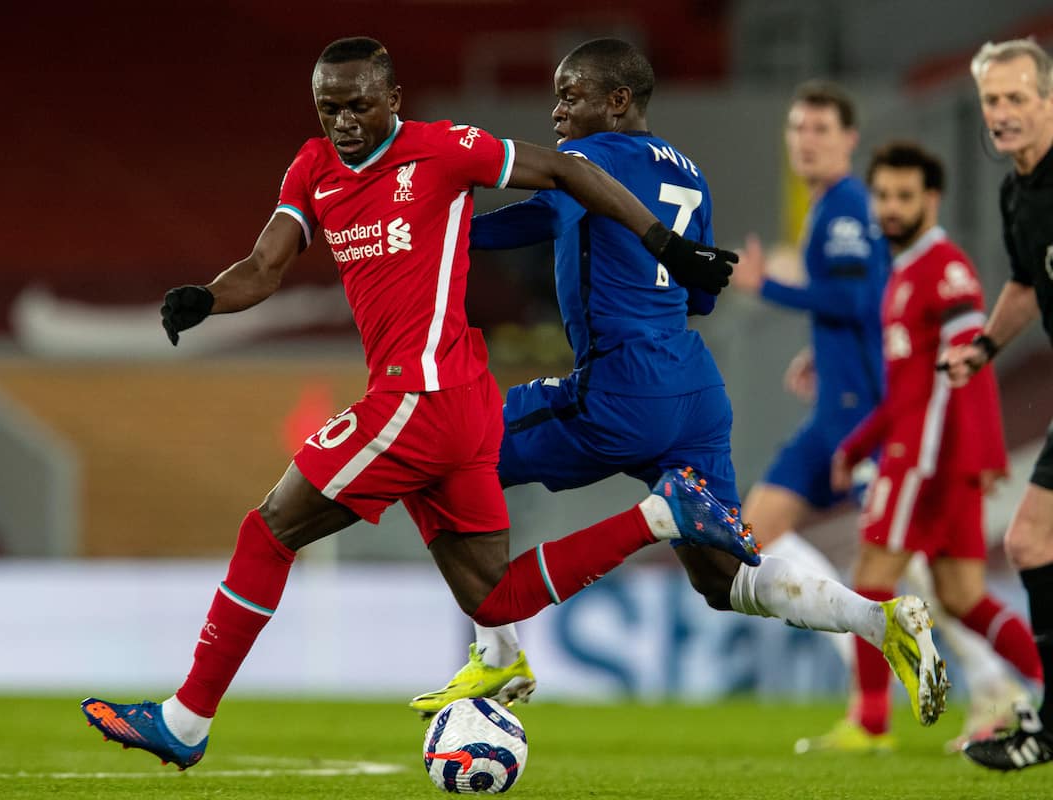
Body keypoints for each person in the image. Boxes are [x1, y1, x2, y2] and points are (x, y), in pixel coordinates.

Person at [78, 35, 754, 771]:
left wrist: (667, 245)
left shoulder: (444, 149)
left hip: (419, 394)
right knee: (494, 600)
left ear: (393, 100)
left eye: (359, 105)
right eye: (329, 107)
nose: (344, 122)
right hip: (462, 405)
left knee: (268, 531)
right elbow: (265, 266)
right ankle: (659, 515)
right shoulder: (313, 168)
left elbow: (562, 170)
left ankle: (185, 719)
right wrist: (208, 298)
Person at [405, 39, 948, 735]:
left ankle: (500, 651)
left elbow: (548, 189)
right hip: (693, 390)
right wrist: (456, 240)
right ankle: (878, 620)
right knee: (725, 580)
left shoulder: (585, 162)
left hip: (618, 390)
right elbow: (695, 293)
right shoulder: (689, 174)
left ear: (618, 100)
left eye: (572, 96)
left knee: (441, 454)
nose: (557, 110)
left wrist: (427, 219)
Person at [794, 141, 1043, 755]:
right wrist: (858, 444)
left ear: (932, 199)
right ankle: (1043, 688)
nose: (891, 208)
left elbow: (972, 365)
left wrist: (979, 452)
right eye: (883, 195)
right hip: (926, 454)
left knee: (869, 582)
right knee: (961, 596)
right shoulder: (902, 275)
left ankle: (871, 722)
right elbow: (909, 390)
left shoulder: (945, 269)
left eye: (905, 196)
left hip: (925, 461)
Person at [730, 80, 890, 670]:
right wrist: (819, 354)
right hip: (836, 409)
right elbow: (855, 304)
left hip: (861, 412)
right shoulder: (829, 204)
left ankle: (994, 685)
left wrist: (766, 284)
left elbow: (858, 300)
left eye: (821, 129)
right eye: (798, 128)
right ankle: (859, 639)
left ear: (849, 139)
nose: (806, 140)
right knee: (753, 531)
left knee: (908, 566)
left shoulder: (847, 203)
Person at [947, 38, 1053, 772]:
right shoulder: (1018, 191)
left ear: (1048, 100)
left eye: (1019, 97)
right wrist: (983, 349)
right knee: (1030, 544)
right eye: (994, 99)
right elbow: (1024, 283)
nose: (1004, 113)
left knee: (1030, 543)